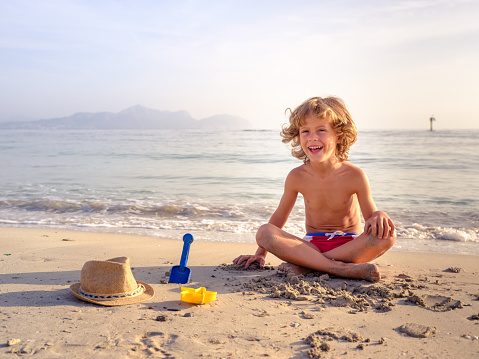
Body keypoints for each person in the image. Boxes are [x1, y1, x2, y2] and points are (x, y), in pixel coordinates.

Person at [233, 96, 396, 282]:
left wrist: (379, 215)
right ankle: (339, 268)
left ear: (339, 135)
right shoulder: (297, 176)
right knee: (264, 232)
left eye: (321, 130)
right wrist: (261, 253)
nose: (312, 137)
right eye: (305, 131)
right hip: (311, 246)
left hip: (349, 245)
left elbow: (371, 220)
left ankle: (309, 266)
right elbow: (278, 218)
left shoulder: (355, 175)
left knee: (388, 235)